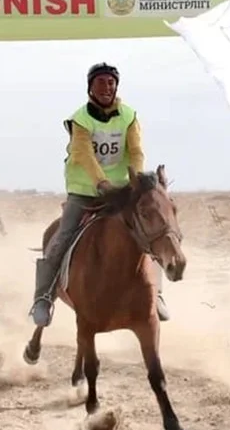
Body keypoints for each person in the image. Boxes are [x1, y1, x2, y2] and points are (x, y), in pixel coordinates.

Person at [28, 62, 168, 329]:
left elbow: (136, 151)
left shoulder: (129, 116)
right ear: (90, 87)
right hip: (84, 190)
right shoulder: (80, 119)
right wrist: (100, 183)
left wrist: (135, 179)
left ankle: (156, 294)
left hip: (122, 189)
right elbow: (83, 154)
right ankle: (43, 297)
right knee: (63, 235)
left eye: (111, 82)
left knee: (150, 231)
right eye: (101, 82)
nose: (107, 87)